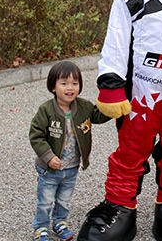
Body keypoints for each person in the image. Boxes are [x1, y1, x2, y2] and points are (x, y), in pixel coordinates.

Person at [29, 61, 111, 241]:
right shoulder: (46, 110)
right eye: (64, 83)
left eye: (75, 83)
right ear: (53, 86)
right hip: (50, 168)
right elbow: (36, 136)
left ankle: (60, 223)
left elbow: (98, 115)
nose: (70, 88)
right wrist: (49, 157)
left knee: (64, 200)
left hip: (71, 167)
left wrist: (112, 106)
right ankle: (41, 227)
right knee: (45, 201)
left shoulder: (84, 107)